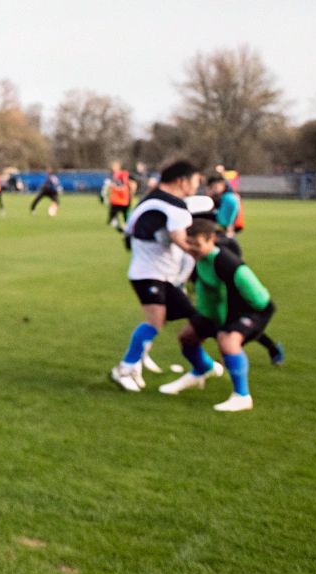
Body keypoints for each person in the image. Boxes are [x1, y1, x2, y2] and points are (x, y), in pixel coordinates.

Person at [157, 217, 277, 412]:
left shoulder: (228, 263)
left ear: (211, 239)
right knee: (187, 337)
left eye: (197, 244)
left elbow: (260, 300)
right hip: (216, 312)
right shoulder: (197, 260)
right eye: (189, 243)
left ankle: (242, 396)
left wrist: (233, 325)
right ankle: (203, 370)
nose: (192, 249)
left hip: (251, 311)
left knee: (228, 342)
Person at [108, 160, 205, 392]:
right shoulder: (175, 207)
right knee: (157, 321)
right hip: (150, 273)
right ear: (182, 181)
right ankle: (125, 368)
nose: (197, 186)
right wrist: (210, 256)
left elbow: (129, 234)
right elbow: (181, 240)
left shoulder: (149, 200)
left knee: (184, 318)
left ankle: (138, 363)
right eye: (195, 181)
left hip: (157, 273)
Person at [201, 176, 285, 365]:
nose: (211, 190)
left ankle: (233, 354)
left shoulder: (229, 199)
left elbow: (223, 224)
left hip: (225, 249)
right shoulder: (217, 200)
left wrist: (208, 220)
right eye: (209, 187)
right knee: (226, 319)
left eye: (214, 186)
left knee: (232, 318)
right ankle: (266, 349)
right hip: (215, 250)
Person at [104, 163, 133, 230]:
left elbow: (126, 184)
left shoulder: (124, 174)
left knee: (125, 212)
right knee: (113, 211)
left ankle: (126, 224)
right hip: (117, 198)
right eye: (113, 166)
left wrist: (117, 187)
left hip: (123, 197)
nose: (114, 168)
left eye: (115, 166)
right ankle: (113, 222)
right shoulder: (113, 175)